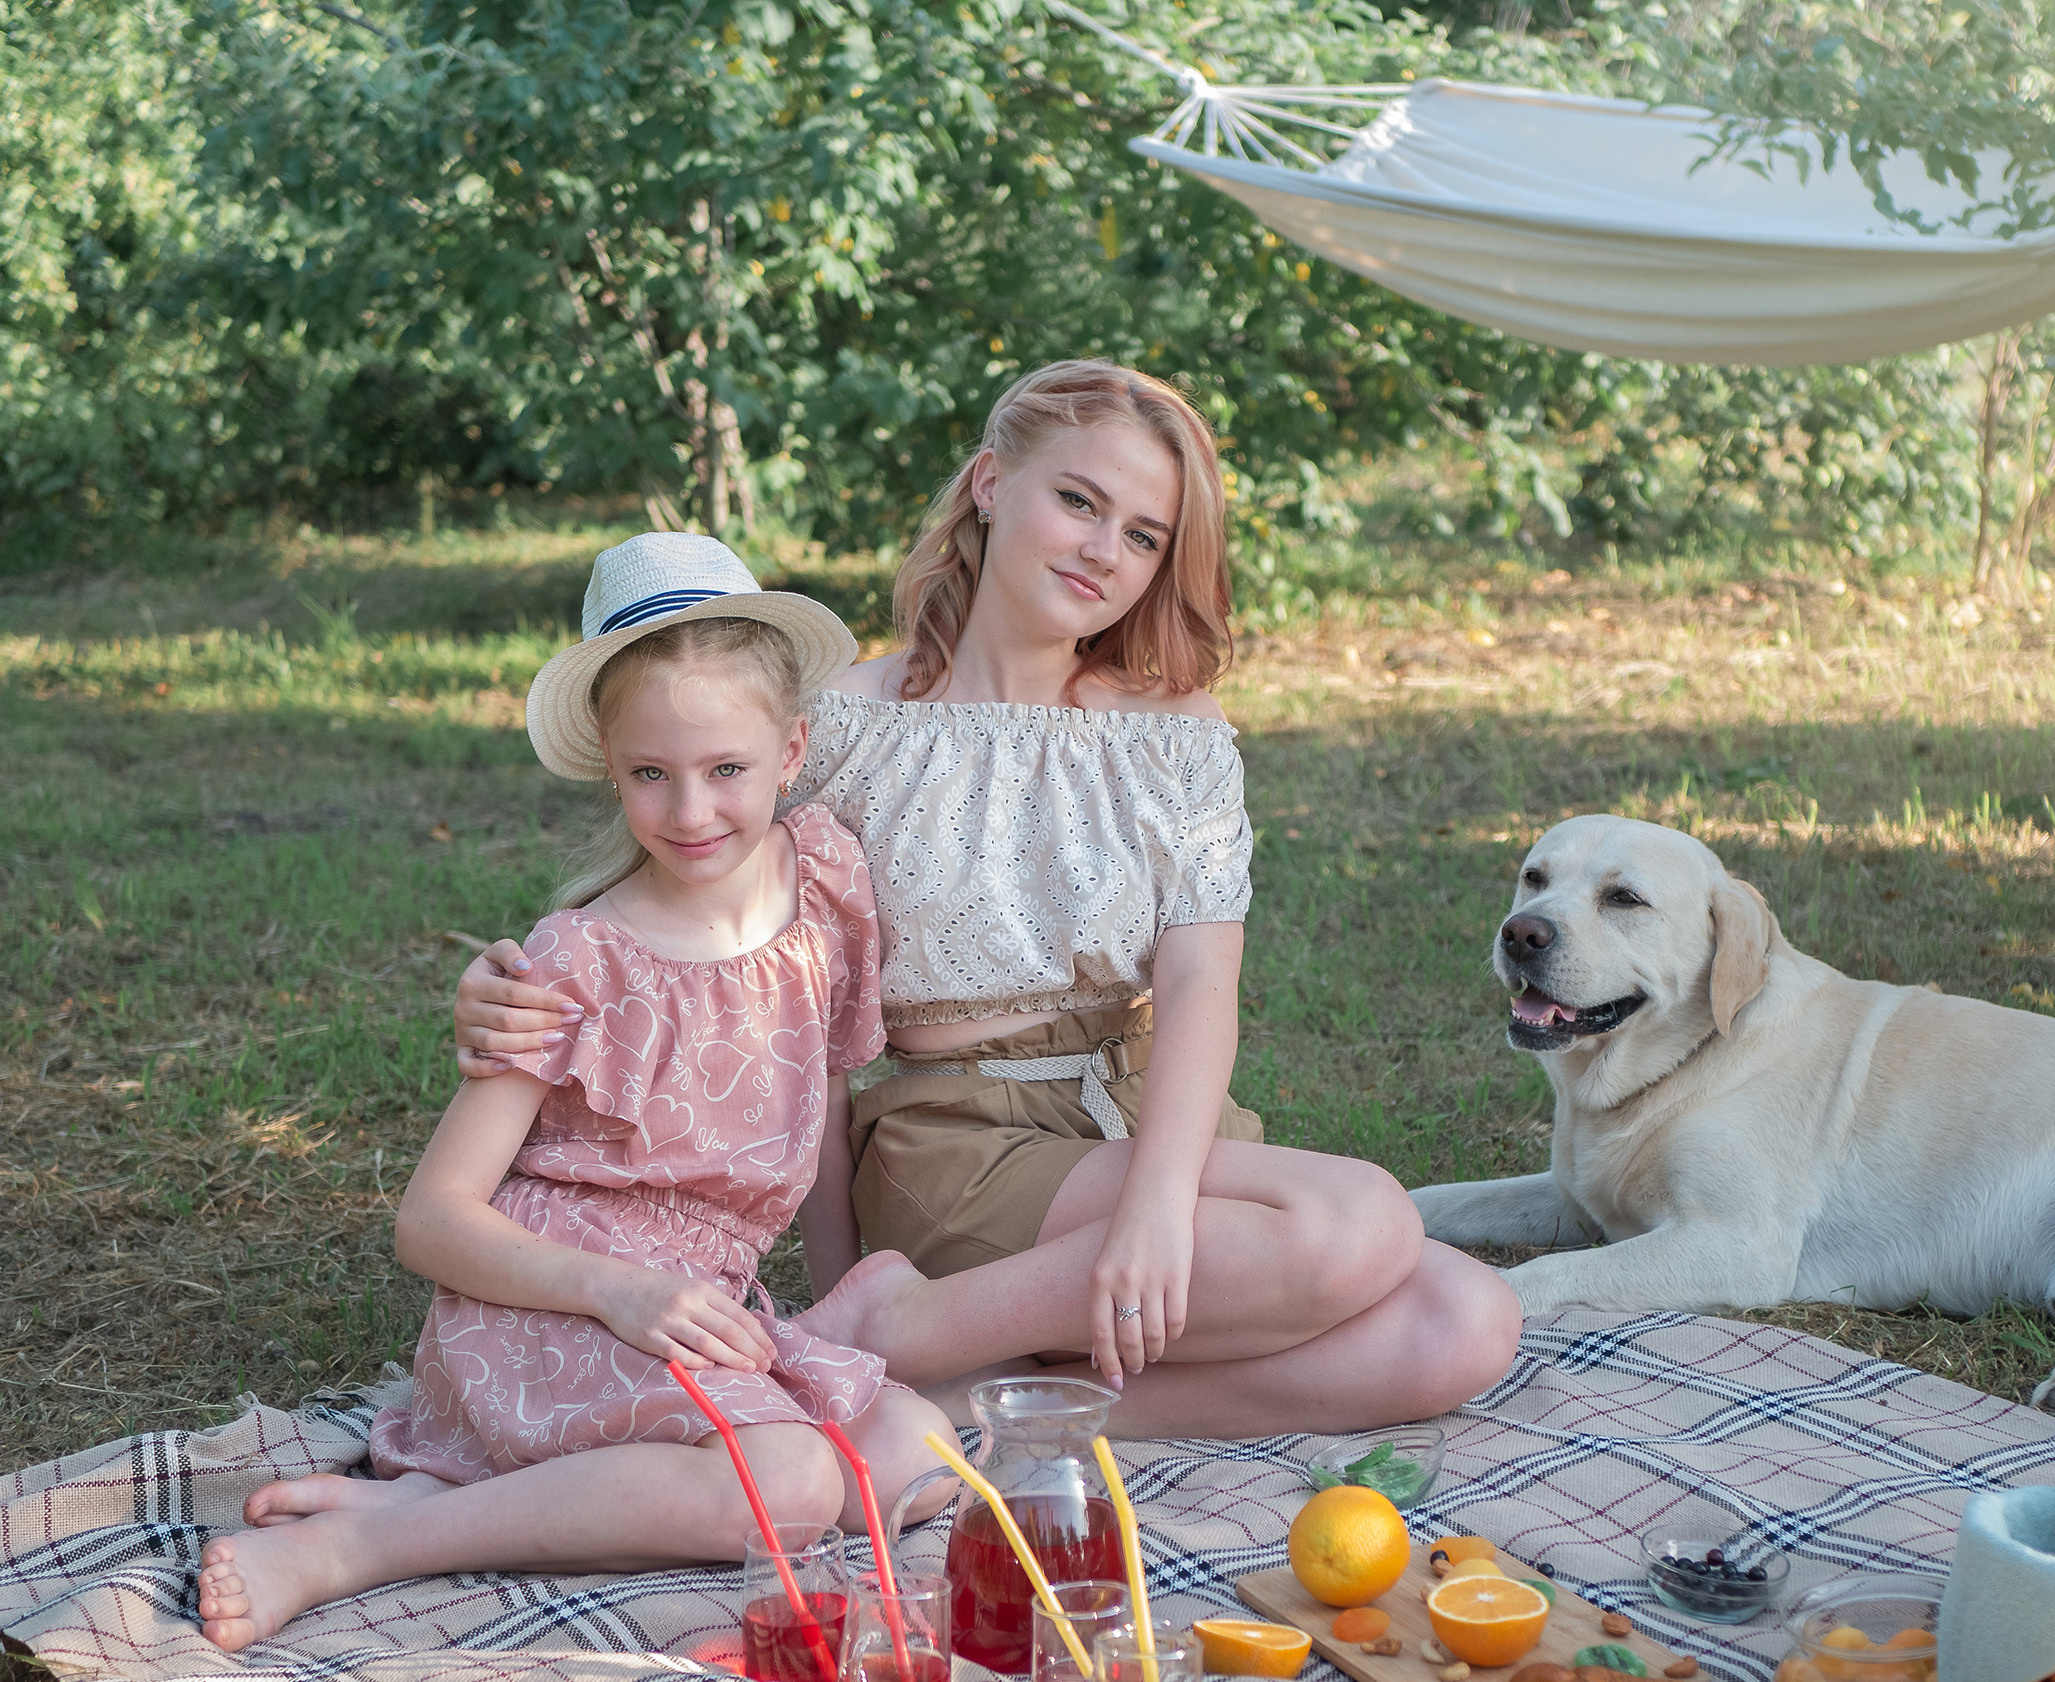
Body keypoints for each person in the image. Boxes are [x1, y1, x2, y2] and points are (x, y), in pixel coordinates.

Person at [456, 361, 1523, 1440]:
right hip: (959, 1140)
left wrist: (1157, 1207)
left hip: (1149, 1118)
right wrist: (504, 991)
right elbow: (701, 925)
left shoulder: (1175, 729)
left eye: (1145, 535)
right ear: (988, 483)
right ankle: (897, 1317)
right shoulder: (846, 727)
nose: (1106, 550)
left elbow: (1204, 978)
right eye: (1078, 500)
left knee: (1464, 1319)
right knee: (1359, 1222)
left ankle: (980, 1399)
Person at [198, 536, 950, 1652]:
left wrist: (826, 1325)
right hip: (551, 1308)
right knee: (789, 1480)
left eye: (726, 769)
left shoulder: (824, 879)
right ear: (610, 762)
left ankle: (445, 1501)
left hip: (696, 1308)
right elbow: (432, 1218)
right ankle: (359, 1549)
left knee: (917, 1450)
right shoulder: (577, 965)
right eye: (652, 773)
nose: (691, 809)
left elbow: (826, 1106)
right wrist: (616, 1292)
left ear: (791, 749)